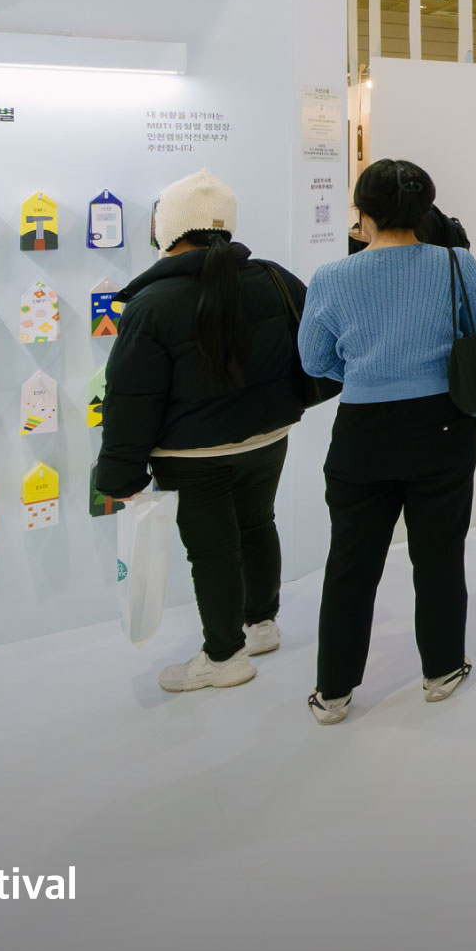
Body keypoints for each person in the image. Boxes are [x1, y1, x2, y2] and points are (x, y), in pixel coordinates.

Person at [93, 171, 329, 694]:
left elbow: (130, 402)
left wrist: (119, 476)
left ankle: (224, 656)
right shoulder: (272, 277)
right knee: (258, 525)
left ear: (167, 229)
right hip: (269, 437)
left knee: (212, 551)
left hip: (192, 456)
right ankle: (261, 625)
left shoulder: (151, 305)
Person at [297, 158, 476, 724]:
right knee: (439, 555)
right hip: (443, 426)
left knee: (350, 563)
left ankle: (333, 692)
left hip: (362, 431)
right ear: (424, 208)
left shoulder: (331, 277)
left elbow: (314, 361)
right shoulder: (456, 263)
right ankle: (442, 670)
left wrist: (367, 369)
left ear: (362, 211)